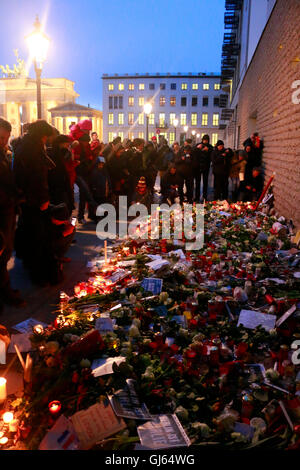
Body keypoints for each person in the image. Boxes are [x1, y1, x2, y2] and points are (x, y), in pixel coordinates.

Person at [14, 119, 61, 285]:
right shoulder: (31, 149)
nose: (46, 141)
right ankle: (39, 274)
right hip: (34, 199)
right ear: (41, 135)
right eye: (45, 138)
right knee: (38, 238)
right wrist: (43, 199)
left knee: (34, 235)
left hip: (29, 198)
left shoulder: (27, 145)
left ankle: (36, 269)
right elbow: (36, 177)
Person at [0, 117, 25, 310]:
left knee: (5, 252)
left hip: (7, 211)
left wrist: (17, 195)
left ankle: (5, 290)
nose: (4, 142)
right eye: (1, 138)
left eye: (6, 138)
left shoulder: (3, 155)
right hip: (2, 211)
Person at [48, 134, 74, 216]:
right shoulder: (54, 154)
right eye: (67, 145)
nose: (68, 147)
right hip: (58, 188)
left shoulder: (61, 153)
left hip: (61, 187)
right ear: (60, 144)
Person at [193, 134, 212, 202]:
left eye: (206, 140)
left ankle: (205, 196)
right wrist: (198, 148)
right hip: (198, 167)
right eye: (204, 140)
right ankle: (197, 196)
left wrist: (208, 150)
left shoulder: (210, 147)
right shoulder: (198, 145)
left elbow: (212, 154)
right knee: (197, 183)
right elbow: (193, 152)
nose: (205, 141)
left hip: (206, 167)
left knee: (205, 182)